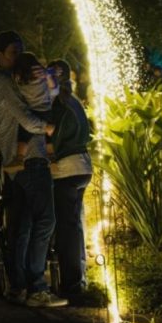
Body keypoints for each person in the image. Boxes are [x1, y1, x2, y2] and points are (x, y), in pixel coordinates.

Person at [0, 31, 67, 308]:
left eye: (20, 52)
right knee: (45, 221)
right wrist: (48, 127)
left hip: (17, 163)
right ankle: (35, 286)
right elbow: (27, 120)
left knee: (22, 225)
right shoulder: (2, 84)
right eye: (12, 53)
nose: (17, 58)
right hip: (30, 160)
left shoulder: (8, 81)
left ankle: (19, 286)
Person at [47, 59, 93, 300]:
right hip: (82, 166)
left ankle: (71, 284)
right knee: (74, 225)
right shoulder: (73, 102)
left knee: (65, 228)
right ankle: (78, 279)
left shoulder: (58, 105)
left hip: (66, 169)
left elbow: (51, 137)